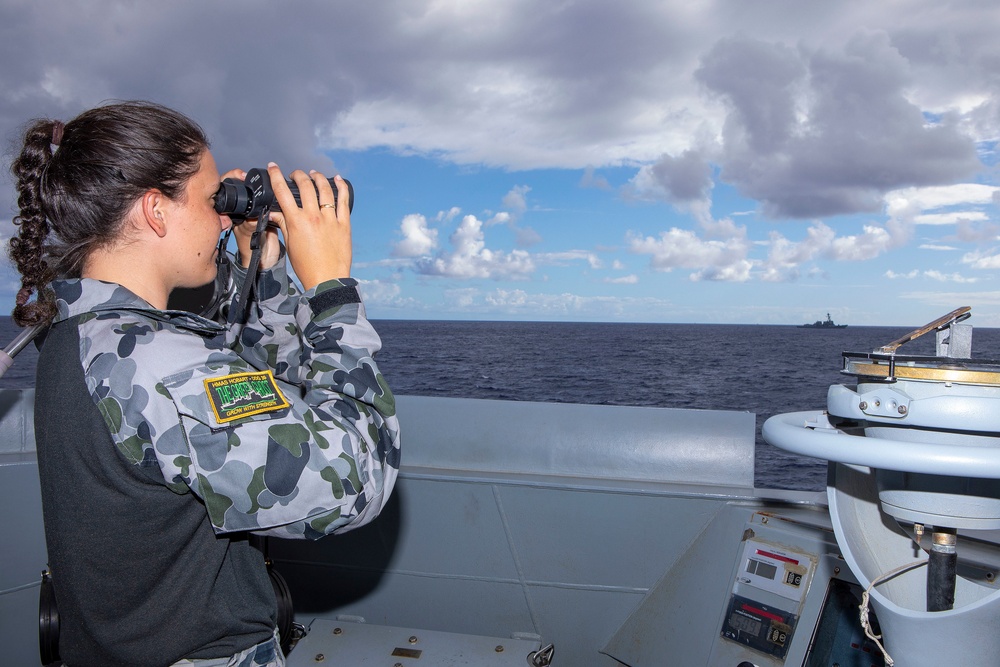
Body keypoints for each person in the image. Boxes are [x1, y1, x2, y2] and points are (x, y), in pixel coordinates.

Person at [8, 101, 401, 666]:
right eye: (211, 198)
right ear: (156, 212)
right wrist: (332, 291)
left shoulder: (81, 338)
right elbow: (357, 480)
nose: (223, 217)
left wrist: (260, 272)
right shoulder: (159, 363)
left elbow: (245, 403)